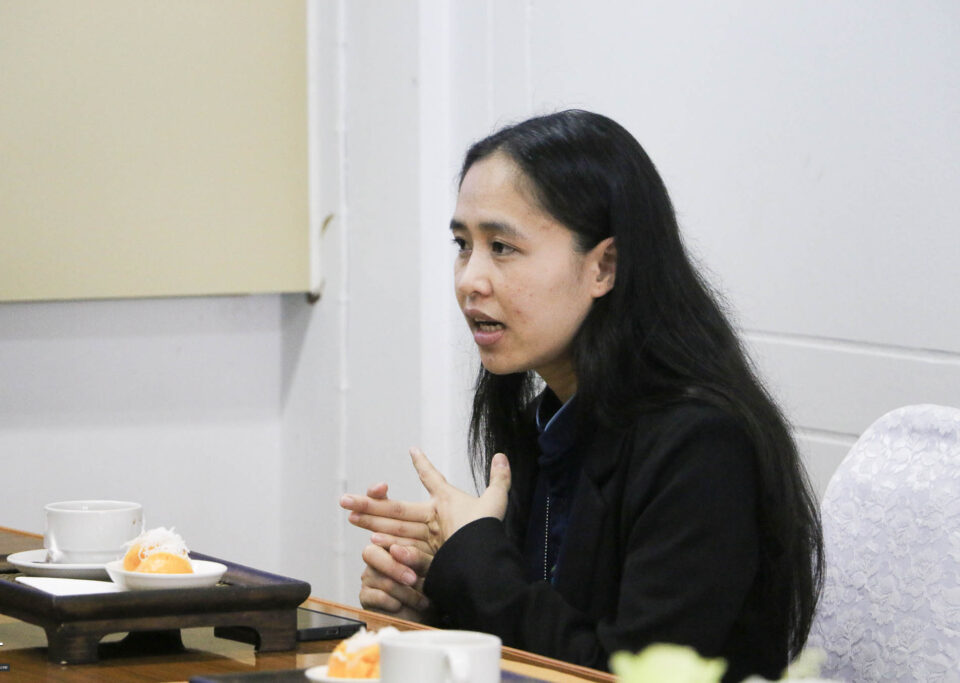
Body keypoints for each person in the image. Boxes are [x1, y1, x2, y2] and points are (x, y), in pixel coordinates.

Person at [338, 110, 823, 682]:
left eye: (502, 246)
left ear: (604, 267)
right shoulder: (546, 421)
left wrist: (474, 558)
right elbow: (548, 627)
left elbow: (622, 675)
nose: (469, 279)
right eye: (463, 245)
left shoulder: (703, 445)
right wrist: (431, 602)